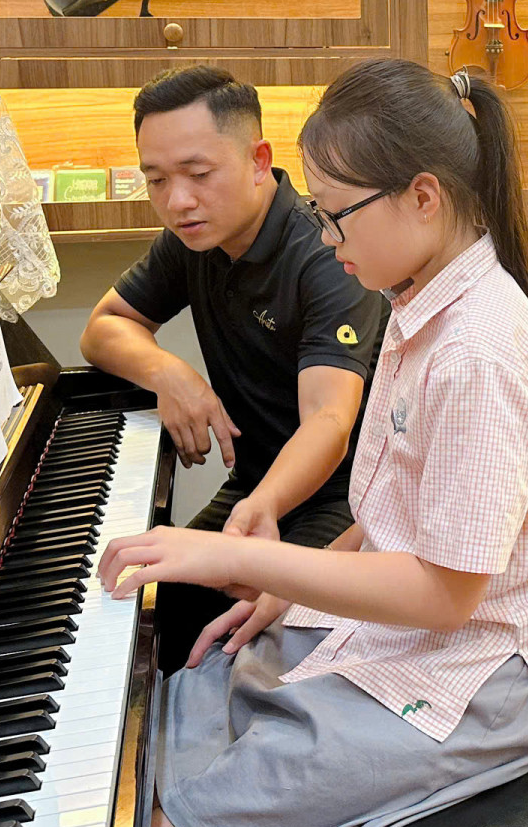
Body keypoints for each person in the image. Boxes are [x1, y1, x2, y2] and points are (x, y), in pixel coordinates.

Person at [100, 60, 528, 827]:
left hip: (484, 680)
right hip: (424, 636)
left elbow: (446, 596)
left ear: (424, 197)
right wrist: (287, 589)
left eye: (337, 217)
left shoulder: (478, 352)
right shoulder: (419, 302)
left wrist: (239, 556)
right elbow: (388, 511)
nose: (326, 239)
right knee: (173, 720)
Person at [80, 65, 388, 667]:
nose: (178, 201)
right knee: (155, 606)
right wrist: (174, 376)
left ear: (256, 159)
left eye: (198, 174)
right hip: (257, 486)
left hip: (346, 500)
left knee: (254, 646)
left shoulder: (322, 253)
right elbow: (103, 328)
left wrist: (260, 513)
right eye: (157, 180)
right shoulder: (192, 238)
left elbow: (329, 421)